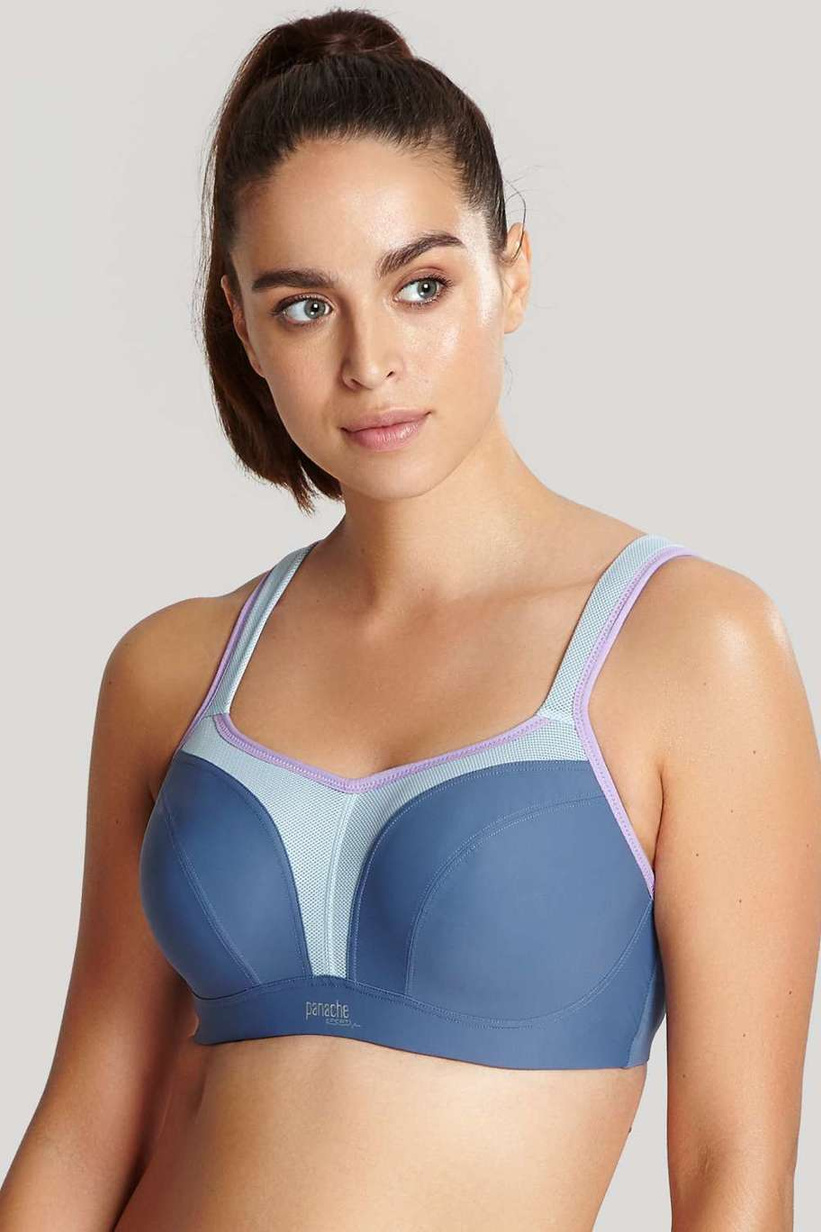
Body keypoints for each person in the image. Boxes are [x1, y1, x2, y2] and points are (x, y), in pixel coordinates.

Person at [2, 7, 819, 1230]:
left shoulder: (689, 646)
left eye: (420, 285)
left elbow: (730, 1173)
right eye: (303, 305)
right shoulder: (173, 668)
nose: (369, 361)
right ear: (240, 321)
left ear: (513, 274)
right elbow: (82, 1125)